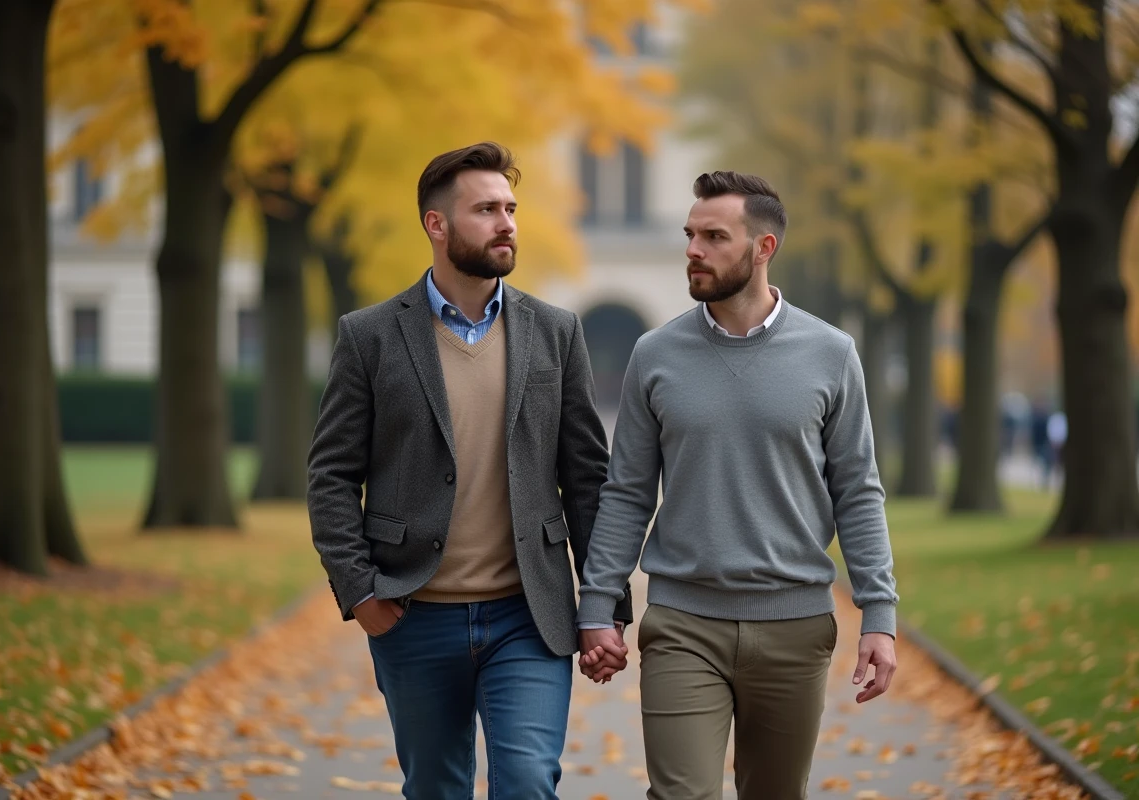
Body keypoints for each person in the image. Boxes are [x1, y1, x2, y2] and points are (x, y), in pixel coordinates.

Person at [306, 141, 631, 800]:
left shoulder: (555, 331)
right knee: (436, 788)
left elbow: (589, 481)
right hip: (412, 614)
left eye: (510, 208)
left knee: (527, 784)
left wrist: (606, 608)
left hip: (528, 618)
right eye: (486, 209)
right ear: (437, 224)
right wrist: (359, 591)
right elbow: (331, 475)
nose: (506, 222)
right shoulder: (369, 337)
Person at [576, 171, 899, 800]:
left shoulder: (831, 353)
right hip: (682, 624)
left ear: (763, 248)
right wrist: (597, 604)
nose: (693, 249)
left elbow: (857, 489)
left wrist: (878, 615)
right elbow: (627, 492)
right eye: (690, 234)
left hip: (796, 625)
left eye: (714, 236)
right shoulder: (655, 352)